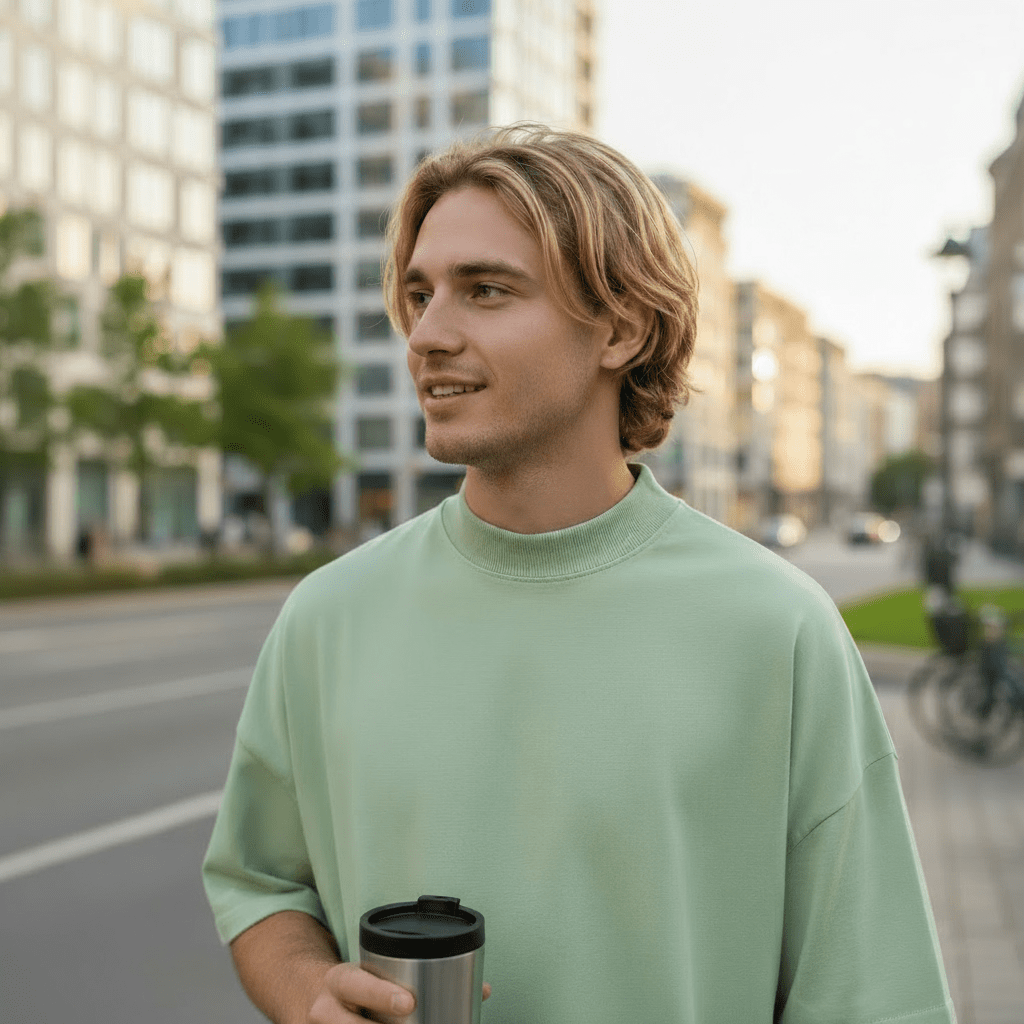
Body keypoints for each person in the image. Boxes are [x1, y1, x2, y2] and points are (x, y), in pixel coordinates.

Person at [202, 124, 956, 1023]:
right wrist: (309, 992)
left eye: (485, 290)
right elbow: (260, 887)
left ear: (621, 328)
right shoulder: (325, 617)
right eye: (419, 293)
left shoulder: (776, 629)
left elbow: (869, 994)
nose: (427, 334)